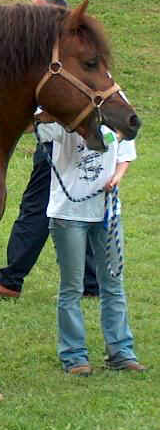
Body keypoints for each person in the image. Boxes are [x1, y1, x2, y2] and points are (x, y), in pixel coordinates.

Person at [0, 0, 99, 299]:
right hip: (66, 138)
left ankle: (10, 279)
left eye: (36, 11)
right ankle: (90, 282)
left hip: (63, 138)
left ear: (56, 14)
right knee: (73, 201)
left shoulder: (59, 51)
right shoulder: (52, 49)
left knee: (38, 205)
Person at [36, 121, 145, 375]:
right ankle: (74, 356)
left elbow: (125, 152)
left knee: (113, 284)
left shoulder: (116, 109)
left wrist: (117, 178)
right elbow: (36, 128)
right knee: (72, 287)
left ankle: (121, 351)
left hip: (107, 212)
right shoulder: (68, 112)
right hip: (68, 214)